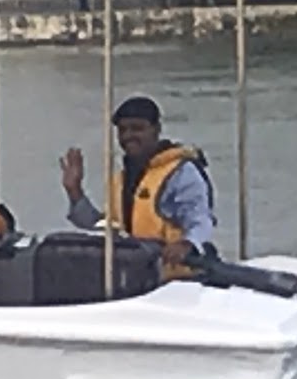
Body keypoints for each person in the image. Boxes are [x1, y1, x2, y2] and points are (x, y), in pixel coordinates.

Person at [59, 95, 217, 280]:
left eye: (137, 128)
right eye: (122, 130)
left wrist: (186, 245)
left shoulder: (181, 172)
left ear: (156, 129)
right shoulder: (121, 179)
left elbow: (200, 220)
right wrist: (75, 191)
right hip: (136, 279)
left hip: (181, 281)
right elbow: (105, 231)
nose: (128, 136)